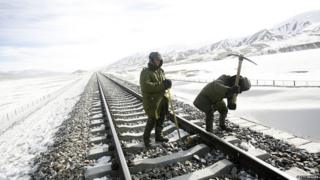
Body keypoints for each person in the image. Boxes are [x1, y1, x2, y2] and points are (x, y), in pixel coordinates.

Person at [140, 52, 172, 147]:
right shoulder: (145, 72)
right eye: (156, 60)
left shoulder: (161, 71)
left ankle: (159, 136)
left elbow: (162, 83)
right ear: (151, 60)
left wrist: (167, 83)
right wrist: (163, 85)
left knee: (161, 118)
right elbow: (147, 86)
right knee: (152, 119)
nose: (158, 62)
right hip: (152, 101)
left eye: (159, 60)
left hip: (162, 99)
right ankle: (146, 138)